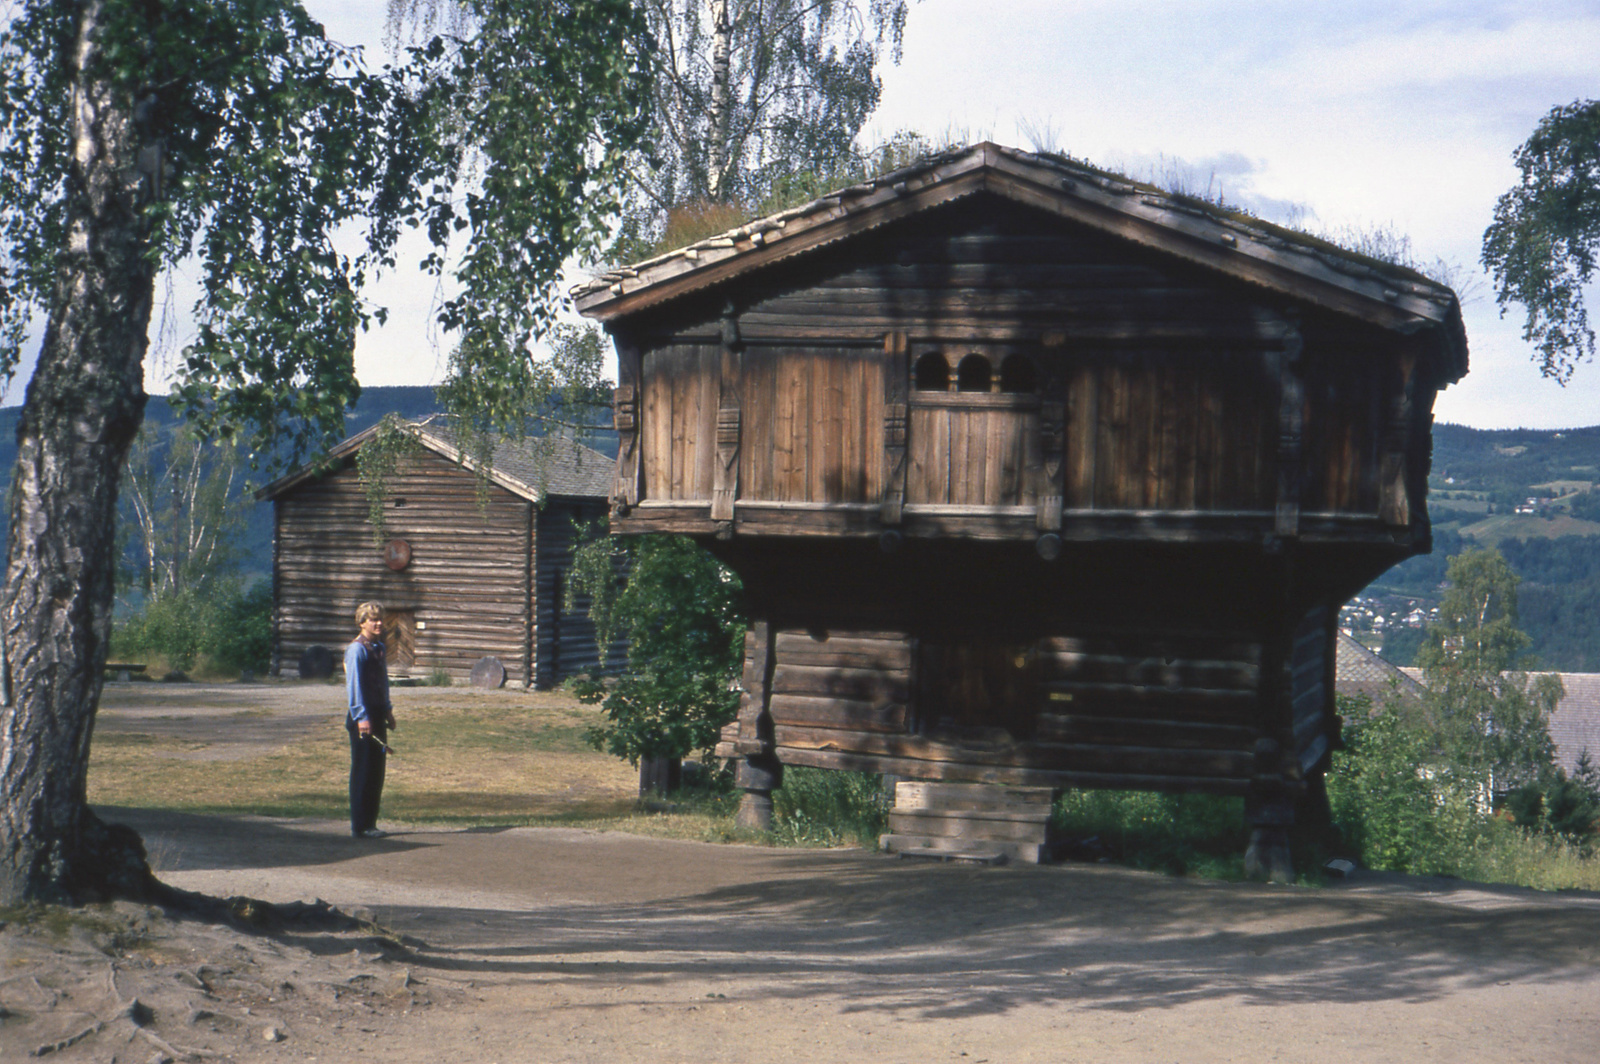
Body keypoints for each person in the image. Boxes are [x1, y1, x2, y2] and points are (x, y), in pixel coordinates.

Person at [345, 601, 396, 839]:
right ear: (362, 622)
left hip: (377, 714)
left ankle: (371, 823)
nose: (378, 624)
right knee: (363, 770)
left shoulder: (378, 647)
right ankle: (359, 825)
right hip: (362, 718)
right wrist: (361, 716)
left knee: (377, 771)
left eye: (380, 619)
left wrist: (387, 710)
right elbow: (354, 685)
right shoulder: (357, 649)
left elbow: (382, 681)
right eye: (373, 619)